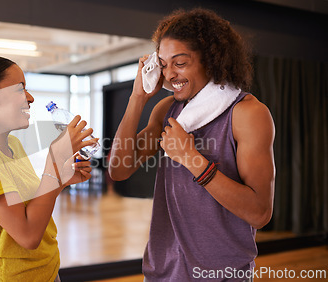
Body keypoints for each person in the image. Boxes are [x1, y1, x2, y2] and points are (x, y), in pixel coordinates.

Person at [108, 8, 275, 282]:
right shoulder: (166, 110)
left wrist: (191, 158)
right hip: (163, 269)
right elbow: (118, 170)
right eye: (163, 64)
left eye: (180, 62)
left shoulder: (247, 113)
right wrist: (137, 98)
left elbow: (259, 213)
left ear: (210, 60)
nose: (170, 74)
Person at [0, 55, 95, 281]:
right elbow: (28, 235)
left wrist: (61, 178)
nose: (30, 98)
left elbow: (30, 208)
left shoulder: (12, 144)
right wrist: (55, 158)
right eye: (20, 89)